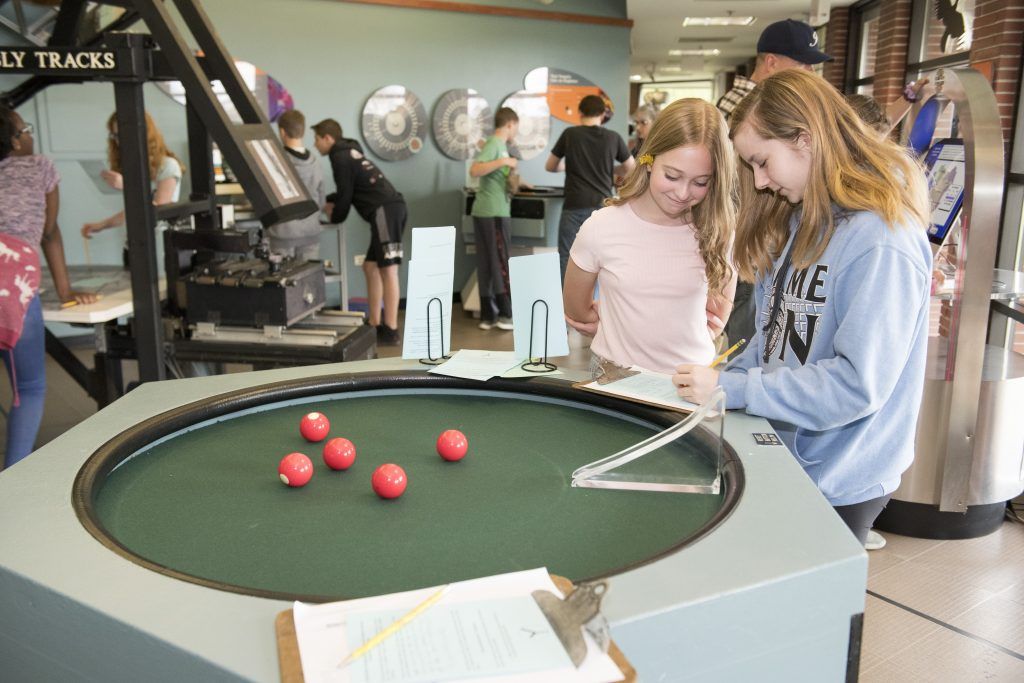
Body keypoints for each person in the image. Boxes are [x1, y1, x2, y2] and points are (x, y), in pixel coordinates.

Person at [673, 70, 932, 546]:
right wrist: (720, 379)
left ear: (806, 141)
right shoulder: (801, 219)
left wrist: (736, 386)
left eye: (763, 162)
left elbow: (856, 385)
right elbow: (775, 336)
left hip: (840, 473)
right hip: (789, 454)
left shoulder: (881, 240)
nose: (761, 180)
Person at [562, 98, 737, 376]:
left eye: (700, 182)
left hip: (692, 381)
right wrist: (614, 324)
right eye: (672, 175)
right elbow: (577, 309)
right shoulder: (602, 227)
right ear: (648, 160)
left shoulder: (719, 229)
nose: (682, 193)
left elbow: (716, 318)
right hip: (615, 377)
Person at [716, 19, 832, 353]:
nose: (810, 74)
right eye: (804, 65)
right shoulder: (741, 112)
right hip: (743, 239)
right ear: (772, 62)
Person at [0, 105, 97, 469]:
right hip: (11, 283)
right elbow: (49, 232)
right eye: (24, 129)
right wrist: (66, 290)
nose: (30, 134)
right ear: (13, 140)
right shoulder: (40, 166)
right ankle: (11, 480)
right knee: (29, 389)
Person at [312, 118, 407, 345]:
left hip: (385, 210)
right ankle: (374, 323)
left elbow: (345, 195)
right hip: (386, 209)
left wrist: (334, 217)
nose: (315, 145)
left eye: (316, 140)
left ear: (328, 138)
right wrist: (328, 201)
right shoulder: (350, 152)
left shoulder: (339, 156)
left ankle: (391, 330)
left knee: (389, 269)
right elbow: (351, 190)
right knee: (370, 266)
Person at [545, 94, 634, 282]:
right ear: (603, 114)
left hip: (574, 205)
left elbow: (550, 166)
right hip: (603, 207)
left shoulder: (570, 134)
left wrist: (570, 165)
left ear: (579, 113)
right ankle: (597, 305)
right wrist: (610, 168)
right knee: (602, 259)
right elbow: (631, 168)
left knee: (566, 257)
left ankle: (567, 308)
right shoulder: (613, 137)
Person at [81, 112, 185, 267]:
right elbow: (134, 211)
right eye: (116, 136)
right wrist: (102, 225)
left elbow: (157, 210)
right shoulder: (135, 167)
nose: (120, 142)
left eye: (124, 134)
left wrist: (129, 187)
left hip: (161, 248)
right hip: (135, 244)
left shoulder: (168, 165)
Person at [468, 107, 519, 331]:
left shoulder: (499, 147)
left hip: (486, 210)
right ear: (510, 124)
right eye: (516, 127)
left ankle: (488, 315)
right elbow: (475, 170)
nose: (516, 131)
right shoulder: (495, 145)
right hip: (494, 213)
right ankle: (506, 314)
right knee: (500, 262)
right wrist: (505, 162)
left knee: (488, 263)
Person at [270, 109, 326, 261]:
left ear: (282, 132)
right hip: (310, 232)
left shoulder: (276, 162)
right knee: (308, 282)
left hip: (283, 234)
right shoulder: (316, 164)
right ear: (302, 131)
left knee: (282, 282)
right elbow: (321, 201)